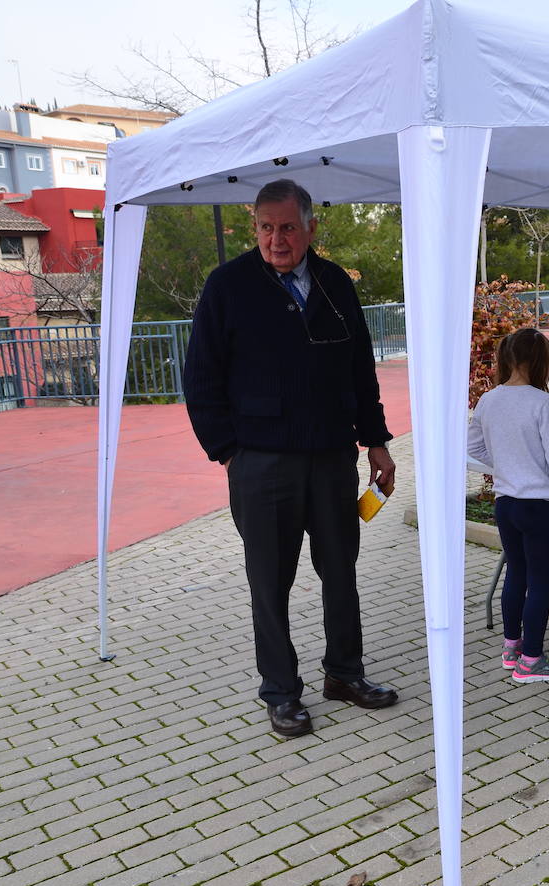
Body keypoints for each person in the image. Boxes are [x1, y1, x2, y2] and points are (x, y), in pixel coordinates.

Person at [183, 179, 398, 738]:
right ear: (254, 228)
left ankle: (344, 674)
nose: (276, 240)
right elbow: (201, 377)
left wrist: (376, 440)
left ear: (310, 227)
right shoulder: (228, 286)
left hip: (330, 458)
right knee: (270, 581)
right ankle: (280, 693)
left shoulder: (334, 283)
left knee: (341, 572)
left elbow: (360, 370)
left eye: (287, 228)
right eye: (266, 228)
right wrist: (229, 453)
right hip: (262, 464)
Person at [468, 328, 549, 684]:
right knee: (540, 583)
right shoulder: (542, 402)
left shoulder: (489, 399)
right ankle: (531, 661)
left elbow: (474, 448)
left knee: (516, 574)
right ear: (540, 361)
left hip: (506, 504)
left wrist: (507, 464)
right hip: (538, 506)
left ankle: (512, 649)